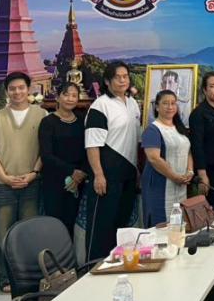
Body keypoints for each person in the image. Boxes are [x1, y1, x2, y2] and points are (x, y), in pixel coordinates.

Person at [0, 71, 47, 291]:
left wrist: (34, 173)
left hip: (31, 182)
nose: (17, 92)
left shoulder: (41, 114)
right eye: (12, 88)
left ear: (29, 89)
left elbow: (46, 149)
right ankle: (5, 278)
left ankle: (29, 277)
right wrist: (4, 177)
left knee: (29, 232)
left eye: (21, 87)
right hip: (4, 184)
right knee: (4, 233)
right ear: (7, 91)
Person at [84, 61, 142, 262]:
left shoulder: (132, 103)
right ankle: (94, 267)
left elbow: (135, 139)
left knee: (120, 225)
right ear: (107, 81)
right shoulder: (100, 105)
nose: (122, 80)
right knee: (102, 226)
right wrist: (98, 174)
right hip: (107, 174)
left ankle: (117, 265)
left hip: (127, 173)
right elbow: (92, 144)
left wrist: (136, 171)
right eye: (117, 77)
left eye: (125, 76)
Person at [38, 81, 88, 239]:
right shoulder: (48, 122)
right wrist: (72, 171)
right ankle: (53, 255)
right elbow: (46, 155)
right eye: (66, 95)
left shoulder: (82, 121)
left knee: (69, 224)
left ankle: (68, 256)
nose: (70, 99)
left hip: (77, 181)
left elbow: (88, 149)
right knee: (54, 225)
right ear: (58, 97)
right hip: (54, 180)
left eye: (74, 95)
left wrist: (81, 173)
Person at [141, 90, 194, 227]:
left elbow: (188, 151)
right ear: (157, 107)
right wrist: (174, 177)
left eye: (173, 103)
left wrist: (190, 171)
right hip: (159, 185)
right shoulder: (153, 129)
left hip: (181, 184)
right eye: (165, 103)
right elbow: (154, 158)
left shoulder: (180, 128)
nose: (170, 107)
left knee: (178, 224)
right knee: (161, 226)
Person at [188, 72, 214, 198]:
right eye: (212, 86)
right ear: (204, 90)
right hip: (209, 170)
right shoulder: (198, 114)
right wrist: (202, 175)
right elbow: (197, 146)